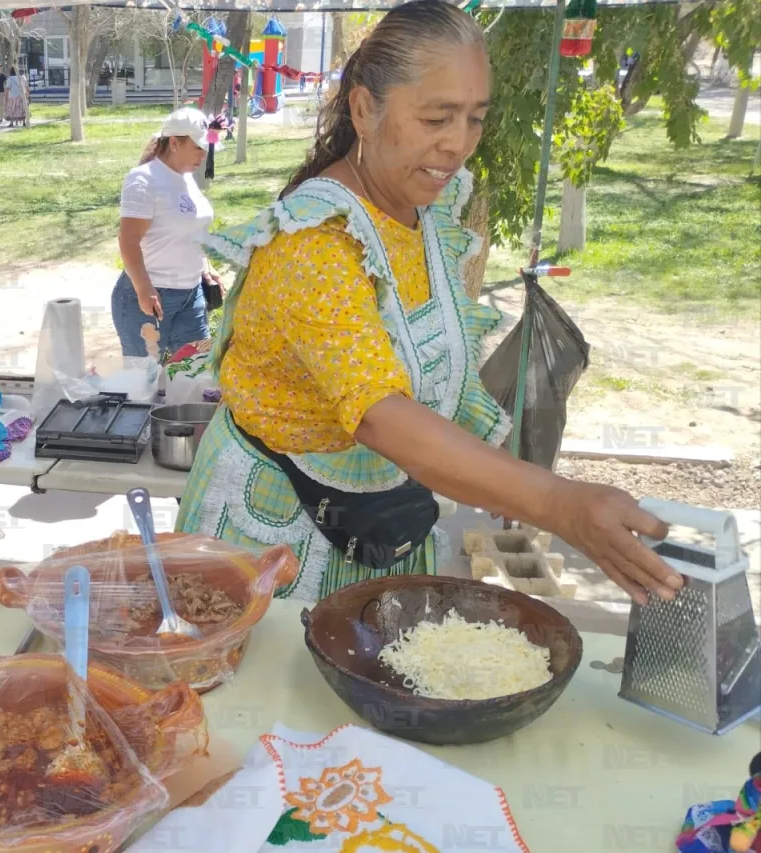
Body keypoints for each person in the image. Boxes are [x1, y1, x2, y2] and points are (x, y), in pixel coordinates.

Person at [175, 0, 683, 606]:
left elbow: (436, 369)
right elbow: (380, 413)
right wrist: (556, 502)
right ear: (364, 109)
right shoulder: (315, 240)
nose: (458, 145)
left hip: (378, 517)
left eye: (474, 119)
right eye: (437, 118)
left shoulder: (426, 209)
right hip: (276, 530)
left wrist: (500, 480)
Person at [113, 107, 222, 362]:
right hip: (150, 297)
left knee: (196, 373)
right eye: (198, 147)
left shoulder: (185, 177)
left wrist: (205, 265)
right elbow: (128, 240)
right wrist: (143, 289)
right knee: (145, 380)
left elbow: (191, 227)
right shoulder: (143, 180)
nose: (203, 154)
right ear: (174, 142)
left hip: (191, 294)